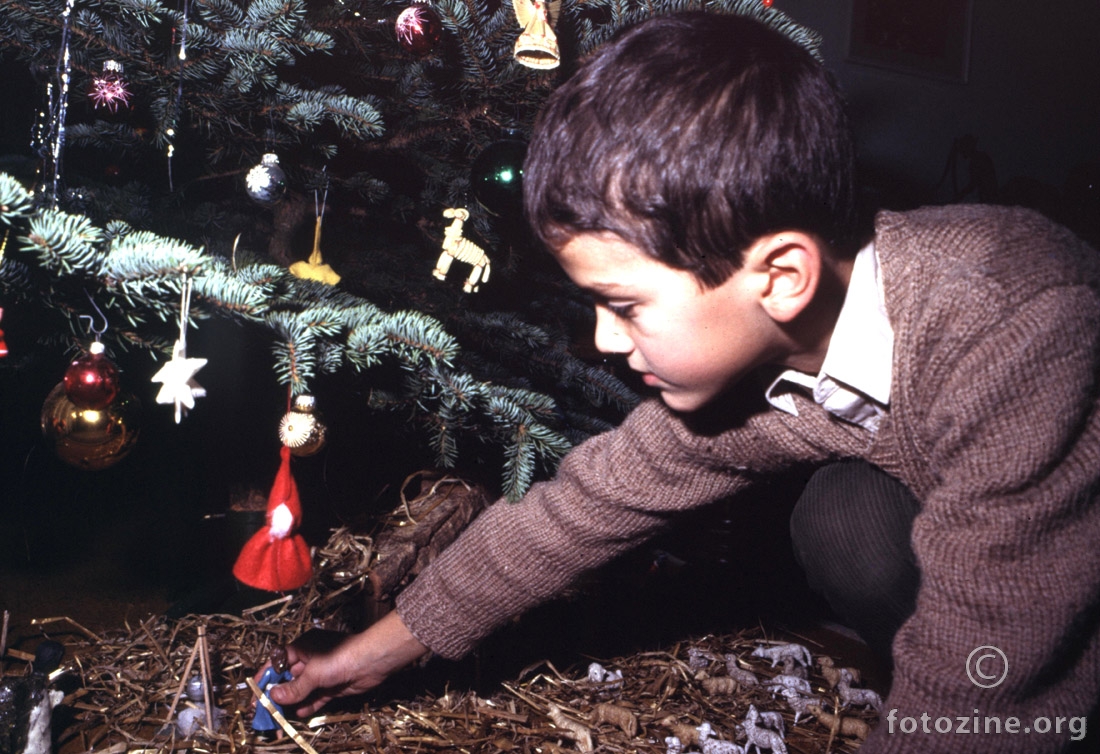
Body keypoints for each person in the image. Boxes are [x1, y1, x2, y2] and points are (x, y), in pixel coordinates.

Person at [260, 12, 1100, 752]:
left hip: (1061, 552)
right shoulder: (767, 363)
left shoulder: (1011, 326)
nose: (601, 340)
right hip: (1001, 534)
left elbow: (990, 644)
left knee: (998, 671)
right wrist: (366, 656)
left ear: (780, 276)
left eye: (622, 304)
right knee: (843, 516)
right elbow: (573, 512)